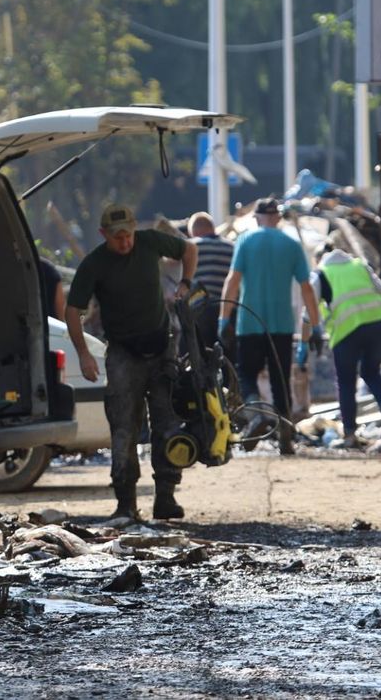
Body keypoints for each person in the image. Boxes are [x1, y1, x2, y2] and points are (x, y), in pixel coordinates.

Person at [65, 204, 197, 520]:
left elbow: (188, 249)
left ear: (135, 228)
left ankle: (165, 497)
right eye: (116, 238)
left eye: (127, 235)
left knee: (167, 424)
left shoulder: (150, 241)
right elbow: (74, 311)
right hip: (124, 354)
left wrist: (186, 283)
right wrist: (83, 353)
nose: (124, 243)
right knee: (124, 428)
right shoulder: (94, 264)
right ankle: (126, 503)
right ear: (103, 235)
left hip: (161, 347)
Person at [217, 197, 322, 454]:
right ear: (278, 217)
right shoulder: (292, 245)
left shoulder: (245, 241)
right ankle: (285, 436)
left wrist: (223, 317)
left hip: (249, 321)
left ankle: (258, 412)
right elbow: (307, 288)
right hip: (282, 324)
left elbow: (233, 280)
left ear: (256, 217)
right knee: (280, 381)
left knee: (246, 376)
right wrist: (315, 325)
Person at [300, 244, 381, 449]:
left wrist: (303, 344)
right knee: (371, 372)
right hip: (377, 325)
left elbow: (307, 315)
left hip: (347, 332)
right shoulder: (359, 266)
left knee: (346, 382)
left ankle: (350, 435)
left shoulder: (320, 274)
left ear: (319, 259)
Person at [186, 211, 234, 350]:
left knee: (200, 356)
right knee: (227, 358)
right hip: (227, 310)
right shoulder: (232, 247)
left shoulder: (190, 246)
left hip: (199, 309)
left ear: (194, 232)